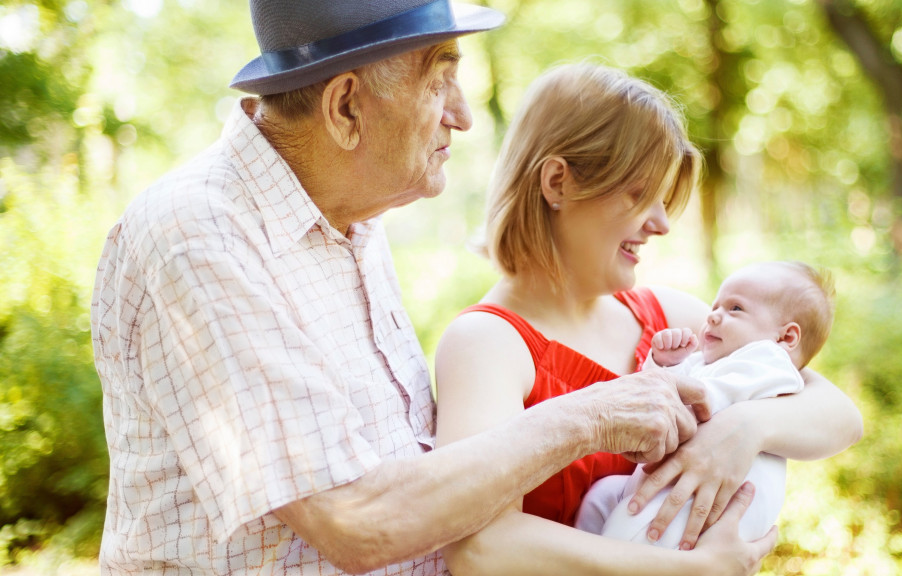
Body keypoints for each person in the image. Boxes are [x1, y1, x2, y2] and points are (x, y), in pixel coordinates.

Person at [89, 1, 781, 574]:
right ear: (345, 108)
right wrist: (589, 417)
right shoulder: (204, 236)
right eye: (438, 79)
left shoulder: (351, 221)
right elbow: (356, 522)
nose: (462, 115)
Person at [434, 63, 863, 575]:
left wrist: (749, 426)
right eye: (640, 194)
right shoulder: (485, 343)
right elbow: (482, 549)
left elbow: (840, 415)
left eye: (664, 199)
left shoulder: (670, 317)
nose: (661, 223)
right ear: (557, 183)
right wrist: (695, 570)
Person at [575, 260, 837, 549]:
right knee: (602, 495)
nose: (712, 317)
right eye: (715, 307)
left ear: (786, 336)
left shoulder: (769, 364)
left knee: (627, 529)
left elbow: (705, 401)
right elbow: (648, 399)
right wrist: (664, 364)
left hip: (706, 504)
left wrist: (670, 390)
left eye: (735, 308)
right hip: (671, 486)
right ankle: (588, 552)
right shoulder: (705, 361)